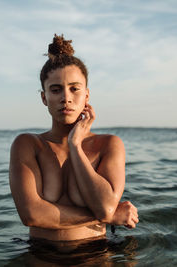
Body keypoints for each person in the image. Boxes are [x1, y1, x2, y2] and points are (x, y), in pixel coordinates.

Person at [9, 34, 139, 245]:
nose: (66, 98)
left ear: (86, 96)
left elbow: (104, 206)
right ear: (44, 97)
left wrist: (75, 145)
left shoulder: (108, 145)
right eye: (56, 89)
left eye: (74, 89)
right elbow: (31, 215)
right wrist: (109, 216)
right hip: (40, 255)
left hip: (95, 254)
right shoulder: (28, 145)